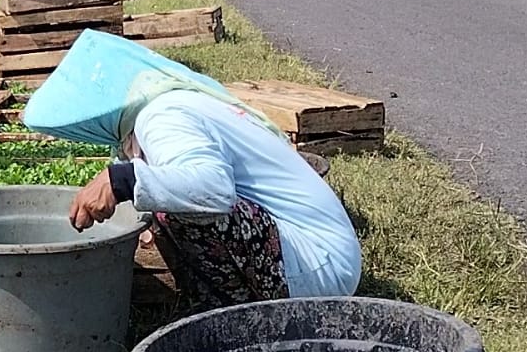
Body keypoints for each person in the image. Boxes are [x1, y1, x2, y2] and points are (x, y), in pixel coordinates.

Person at [21, 29, 360, 308]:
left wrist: (121, 180)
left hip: (319, 268)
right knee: (162, 199)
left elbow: (213, 189)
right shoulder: (163, 107)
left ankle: (239, 311)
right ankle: (230, 311)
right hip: (312, 255)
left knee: (179, 205)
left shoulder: (163, 116)